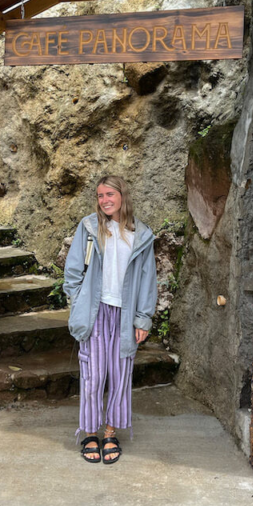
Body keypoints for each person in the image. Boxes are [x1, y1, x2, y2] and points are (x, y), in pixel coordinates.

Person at [64, 175, 158, 464]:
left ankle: (110, 433)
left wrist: (143, 318)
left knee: (120, 377)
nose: (104, 200)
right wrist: (77, 302)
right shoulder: (90, 227)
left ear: (122, 196)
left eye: (110, 194)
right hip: (95, 311)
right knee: (92, 376)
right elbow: (73, 270)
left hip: (125, 315)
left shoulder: (141, 235)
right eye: (100, 195)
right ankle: (90, 433)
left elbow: (148, 280)